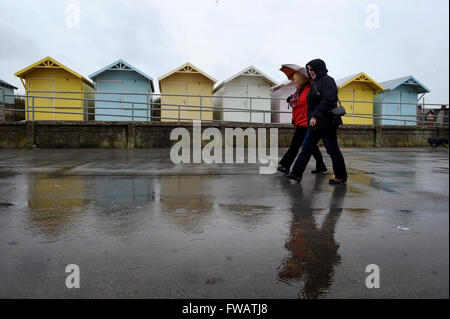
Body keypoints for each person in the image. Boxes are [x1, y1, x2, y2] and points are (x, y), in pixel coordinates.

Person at [287, 59, 347, 185]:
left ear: (319, 69)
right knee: (306, 148)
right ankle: (296, 174)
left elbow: (329, 100)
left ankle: (341, 176)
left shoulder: (328, 81)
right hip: (314, 124)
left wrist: (315, 116)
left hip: (327, 123)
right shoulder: (315, 83)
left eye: (312, 69)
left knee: (332, 150)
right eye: (308, 70)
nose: (310, 72)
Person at [277, 67, 327, 175]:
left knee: (295, 145)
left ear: (302, 80)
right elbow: (297, 102)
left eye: (296, 79)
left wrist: (294, 101)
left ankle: (285, 165)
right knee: (312, 146)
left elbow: (305, 103)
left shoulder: (309, 89)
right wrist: (291, 100)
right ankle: (321, 166)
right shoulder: (300, 91)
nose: (294, 81)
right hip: (300, 121)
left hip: (305, 122)